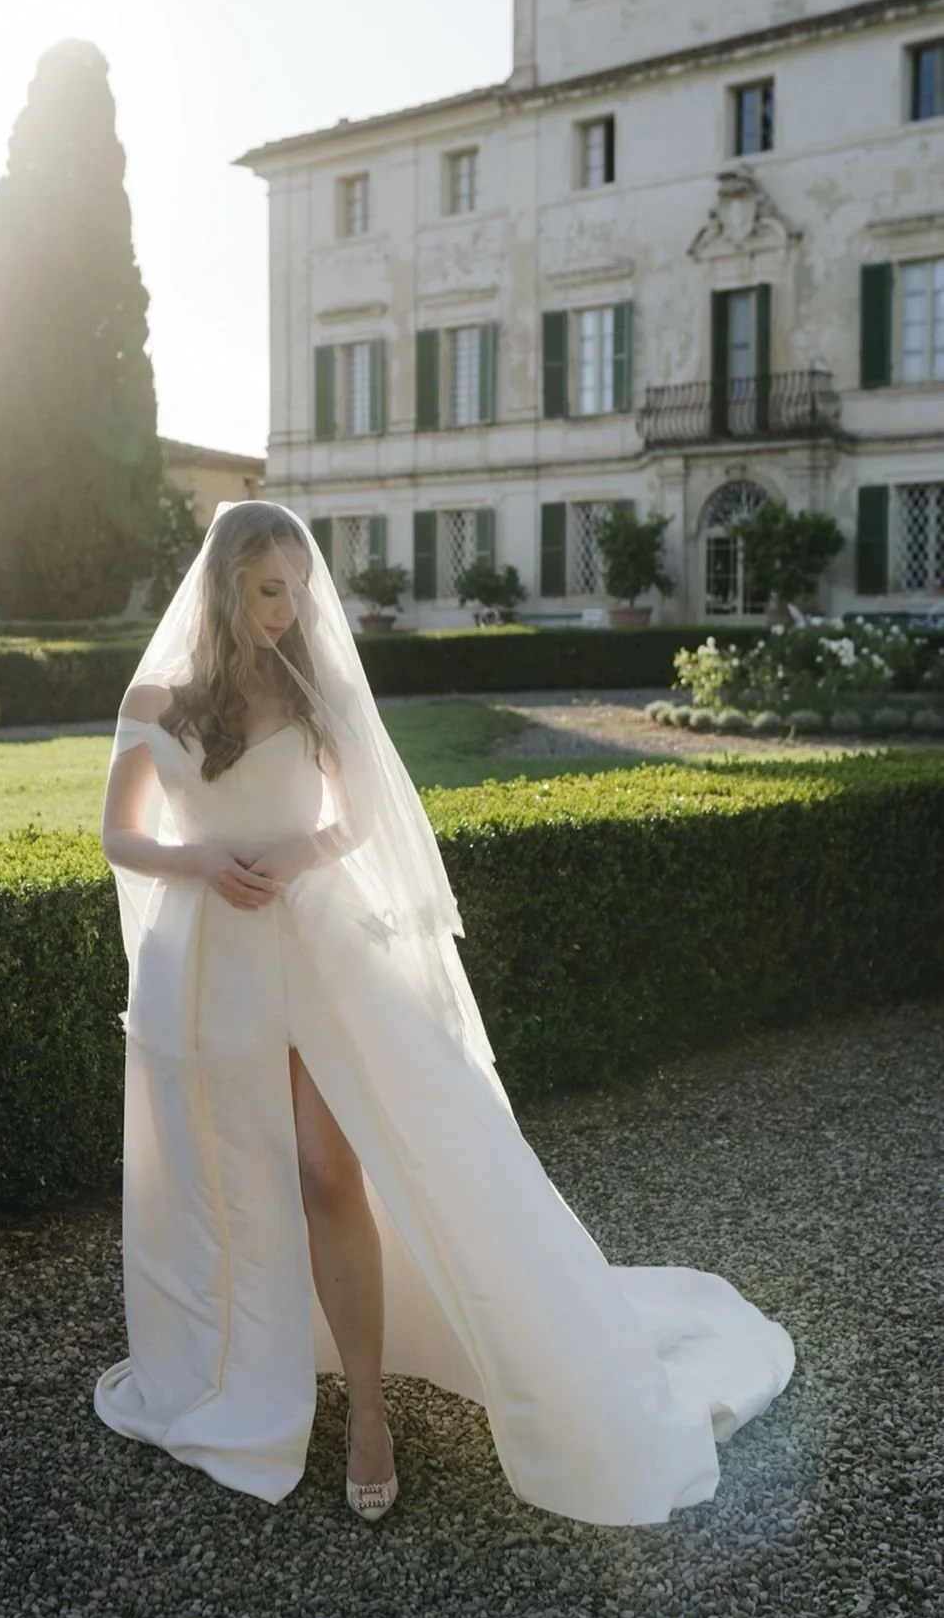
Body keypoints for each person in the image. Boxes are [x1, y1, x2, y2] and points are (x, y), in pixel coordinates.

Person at [94, 501, 794, 1526]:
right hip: (203, 962)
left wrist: (298, 853)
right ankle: (247, 1373)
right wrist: (198, 858)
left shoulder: (315, 686)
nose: (289, 610)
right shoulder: (159, 695)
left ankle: (368, 1409)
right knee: (227, 1180)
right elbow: (122, 836)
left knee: (330, 1171)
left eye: (298, 587)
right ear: (225, 587)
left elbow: (362, 818)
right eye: (268, 590)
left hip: (314, 946)